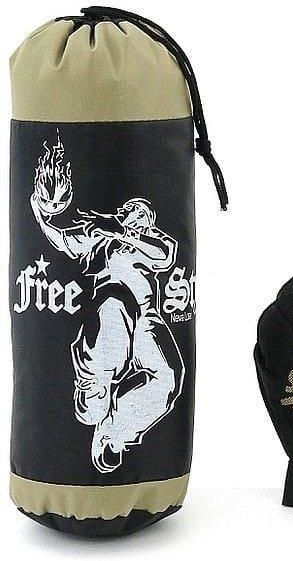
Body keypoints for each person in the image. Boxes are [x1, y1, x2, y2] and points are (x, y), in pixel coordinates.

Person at [30, 194, 185, 473]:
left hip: (146, 314)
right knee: (114, 308)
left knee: (169, 377)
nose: (135, 213)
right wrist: (39, 213)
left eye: (143, 212)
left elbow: (165, 255)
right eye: (132, 208)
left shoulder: (151, 240)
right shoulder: (100, 235)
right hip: (111, 303)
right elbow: (61, 239)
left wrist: (124, 233)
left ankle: (115, 432)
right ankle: (94, 386)